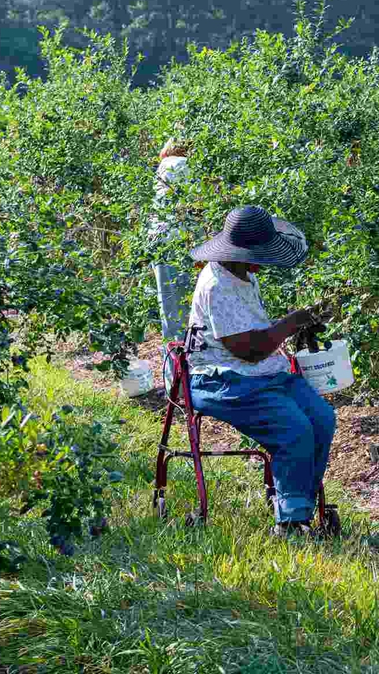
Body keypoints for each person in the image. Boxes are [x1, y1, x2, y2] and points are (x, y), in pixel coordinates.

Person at [186, 205, 336, 536]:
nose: (262, 261)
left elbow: (257, 338)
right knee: (294, 431)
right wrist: (291, 322)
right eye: (258, 253)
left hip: (264, 374)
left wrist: (296, 325)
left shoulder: (243, 274)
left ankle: (299, 503)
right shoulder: (217, 285)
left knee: (322, 419)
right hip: (225, 379)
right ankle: (291, 522)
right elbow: (249, 351)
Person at [152, 137, 192, 341]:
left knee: (168, 306)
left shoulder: (163, 167)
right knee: (186, 306)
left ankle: (174, 367)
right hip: (180, 242)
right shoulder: (182, 164)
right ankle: (189, 364)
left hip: (161, 242)